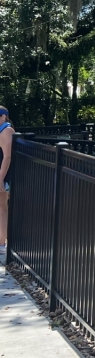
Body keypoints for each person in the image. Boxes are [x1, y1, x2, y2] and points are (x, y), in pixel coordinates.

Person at [0, 106, 13, 262]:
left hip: (3, 176)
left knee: (2, 208)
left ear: (3, 117)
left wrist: (1, 178)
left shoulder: (7, 131)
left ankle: (2, 244)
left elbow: (7, 157)